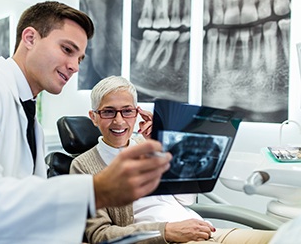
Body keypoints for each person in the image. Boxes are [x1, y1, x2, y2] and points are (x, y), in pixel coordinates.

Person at [0, 2, 171, 243]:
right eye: (67, 50)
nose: (74, 66)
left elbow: (31, 216)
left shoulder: (32, 125)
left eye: (80, 58)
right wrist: (95, 191)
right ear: (30, 38)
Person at [70, 75, 276, 243]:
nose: (119, 120)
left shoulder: (147, 145)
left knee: (287, 238)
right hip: (167, 239)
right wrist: (167, 231)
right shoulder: (83, 166)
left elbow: (186, 199)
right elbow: (101, 235)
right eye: (108, 112)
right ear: (94, 117)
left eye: (127, 111)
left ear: (137, 113)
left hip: (204, 231)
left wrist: (166, 145)